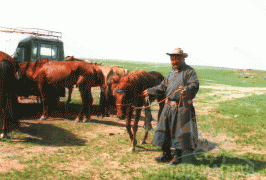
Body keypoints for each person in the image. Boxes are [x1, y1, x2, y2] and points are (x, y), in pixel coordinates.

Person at [143, 48, 199, 165]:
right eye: (172, 59)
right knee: (164, 130)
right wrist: (150, 90)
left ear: (183, 59)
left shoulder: (190, 72)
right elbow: (162, 86)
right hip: (168, 107)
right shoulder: (172, 73)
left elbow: (194, 85)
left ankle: (178, 157)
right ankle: (166, 155)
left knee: (178, 133)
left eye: (177, 59)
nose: (174, 61)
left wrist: (186, 89)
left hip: (181, 108)